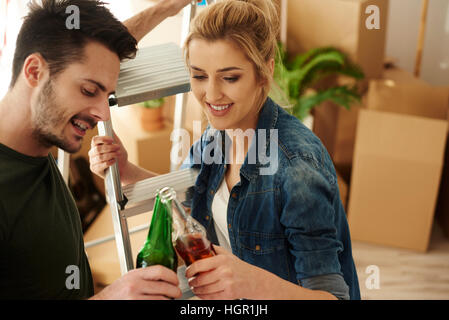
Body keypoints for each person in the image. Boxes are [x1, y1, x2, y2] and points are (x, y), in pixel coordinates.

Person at [89, 0, 361, 300]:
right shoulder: (215, 139)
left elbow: (334, 298)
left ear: (263, 72)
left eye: (230, 77)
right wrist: (127, 170)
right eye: (199, 76)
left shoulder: (296, 168)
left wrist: (252, 282)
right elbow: (185, 205)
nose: (212, 94)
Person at [0, 0, 197, 300]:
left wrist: (169, 6)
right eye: (90, 91)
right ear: (35, 71)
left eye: (107, 93)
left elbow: (93, 54)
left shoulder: (35, 139)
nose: (103, 114)